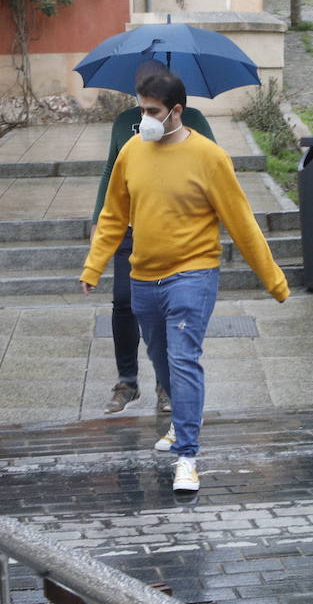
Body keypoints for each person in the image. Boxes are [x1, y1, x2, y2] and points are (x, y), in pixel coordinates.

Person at [80, 70, 289, 494]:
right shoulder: (132, 152)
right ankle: (179, 426)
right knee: (161, 359)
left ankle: (188, 457)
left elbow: (242, 222)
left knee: (183, 359)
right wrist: (94, 265)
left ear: (177, 111)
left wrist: (274, 280)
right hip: (143, 276)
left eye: (152, 111)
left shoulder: (210, 157)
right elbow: (114, 215)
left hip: (193, 273)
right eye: (141, 110)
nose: (144, 119)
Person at [92, 59, 216, 415]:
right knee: (123, 303)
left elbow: (213, 168)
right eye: (139, 88)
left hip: (175, 235)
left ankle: (166, 383)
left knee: (165, 309)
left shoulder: (194, 122)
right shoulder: (123, 124)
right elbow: (110, 172)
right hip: (129, 230)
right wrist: (99, 219)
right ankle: (127, 381)